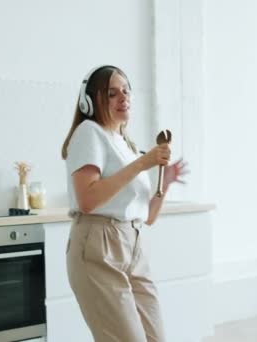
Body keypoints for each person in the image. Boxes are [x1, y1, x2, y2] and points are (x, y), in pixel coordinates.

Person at [61, 65, 187, 342]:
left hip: (133, 243)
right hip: (98, 246)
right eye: (112, 93)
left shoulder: (125, 144)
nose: (123, 98)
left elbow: (149, 217)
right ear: (90, 101)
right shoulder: (89, 133)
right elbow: (88, 200)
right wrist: (144, 163)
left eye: (126, 91)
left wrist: (163, 185)